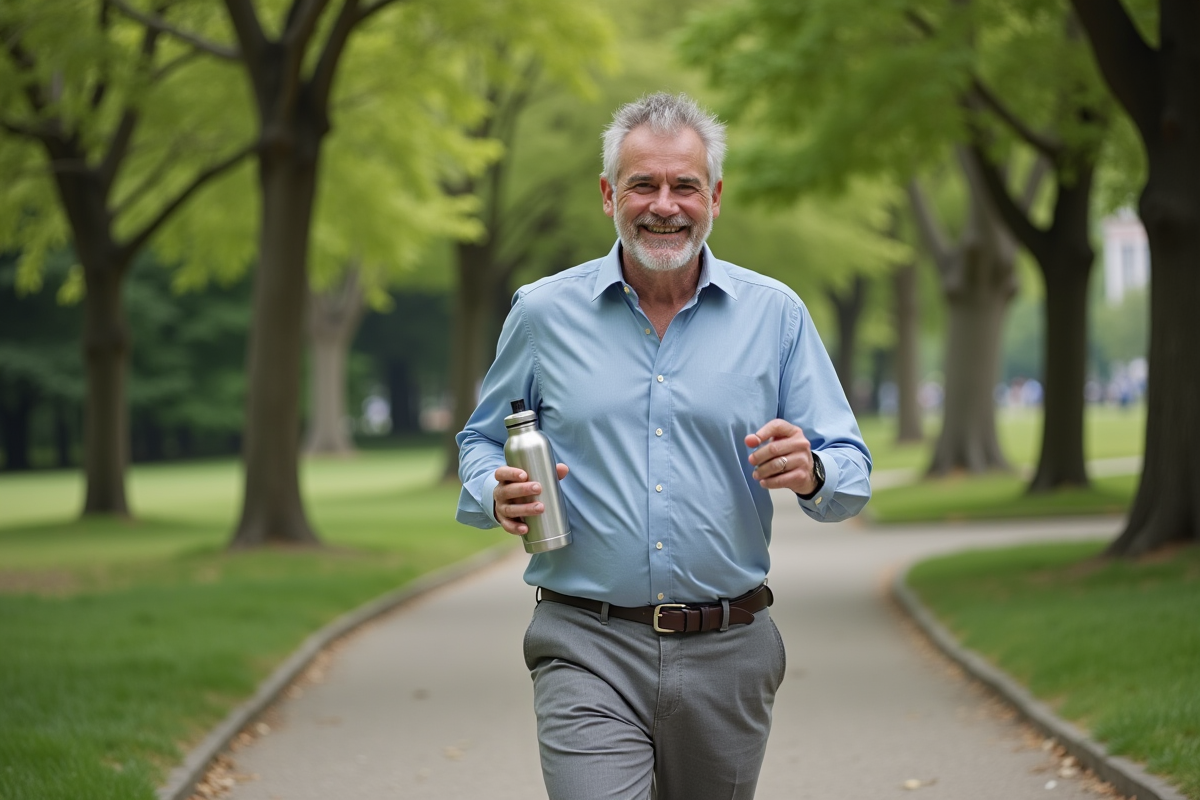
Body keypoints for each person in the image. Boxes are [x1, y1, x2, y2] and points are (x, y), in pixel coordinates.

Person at [456, 92, 871, 800]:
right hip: (585, 643)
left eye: (684, 185)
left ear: (715, 196)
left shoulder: (775, 315)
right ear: (607, 194)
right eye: (643, 184)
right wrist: (491, 488)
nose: (664, 205)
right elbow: (482, 437)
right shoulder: (542, 313)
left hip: (730, 648)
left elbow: (851, 470)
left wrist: (813, 471)